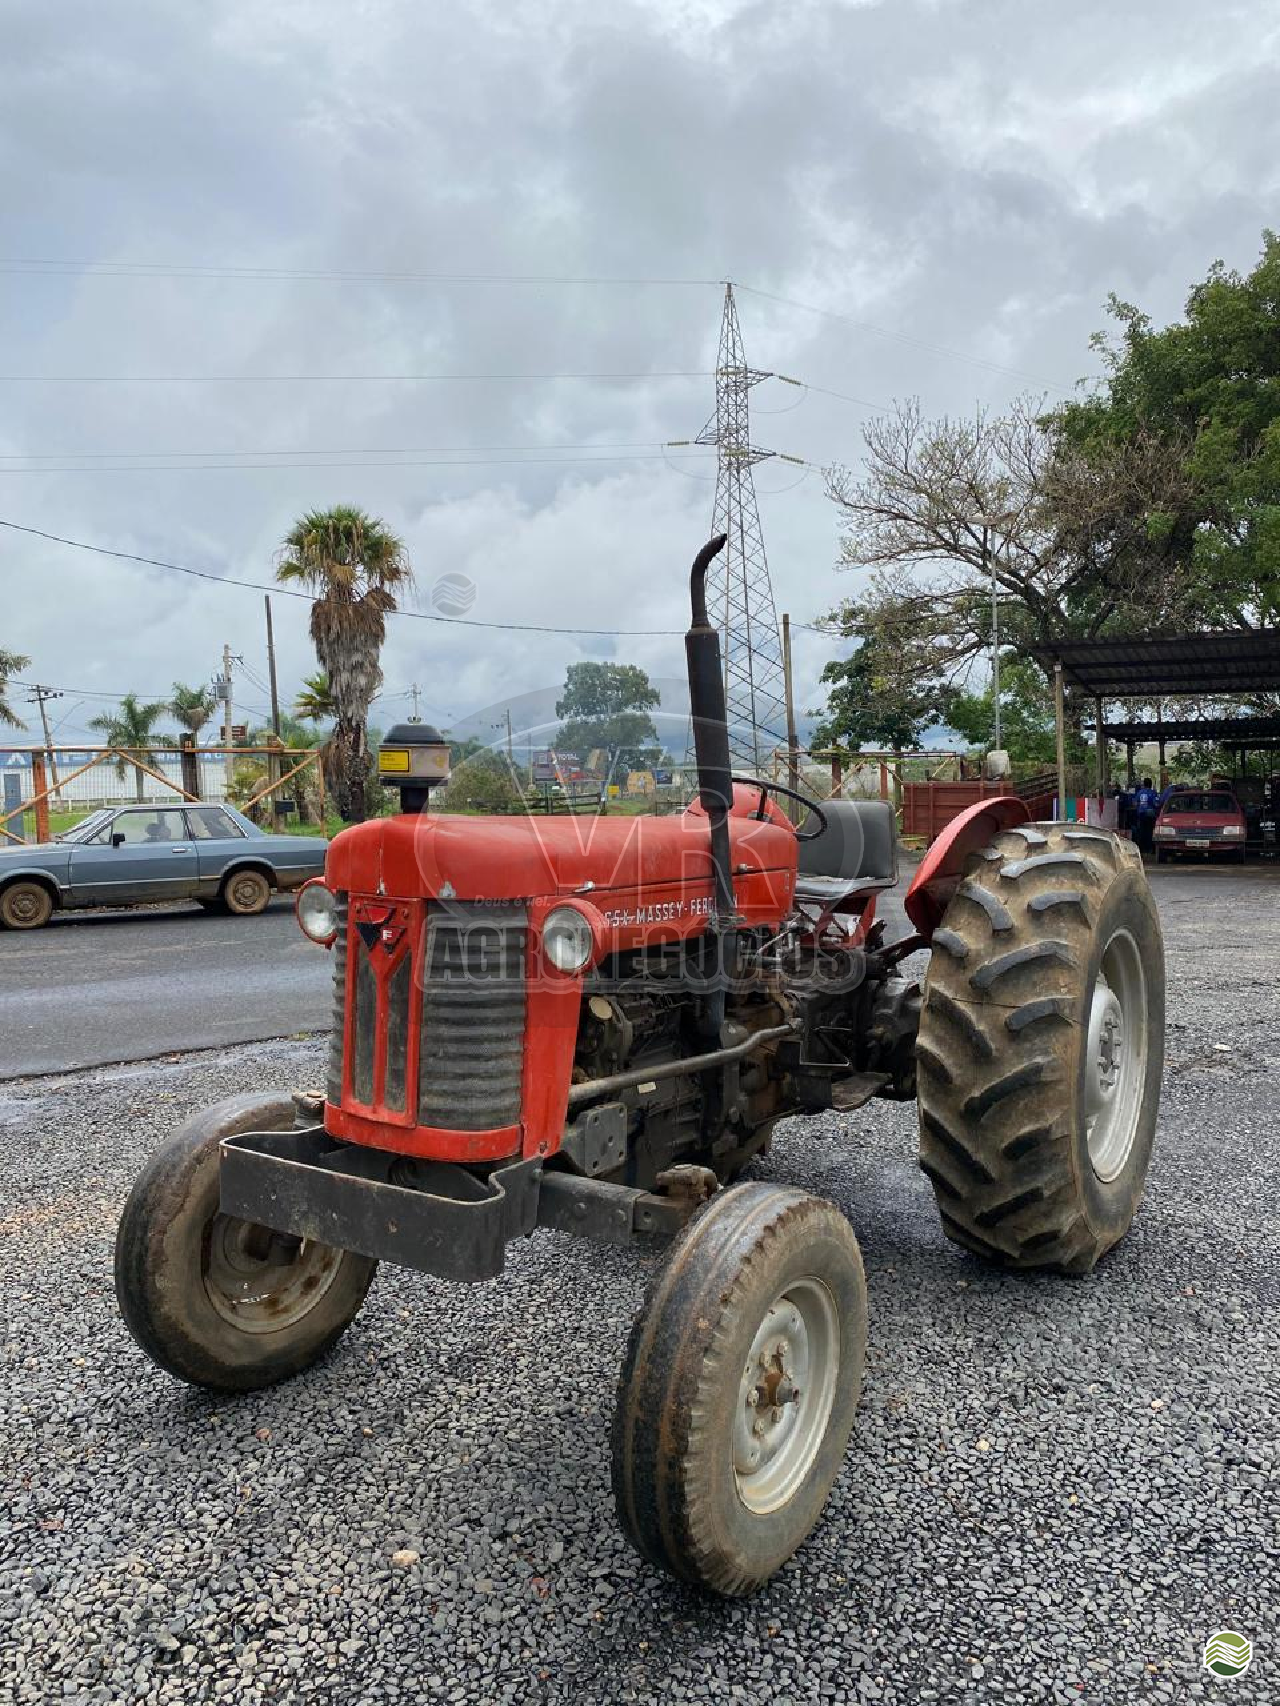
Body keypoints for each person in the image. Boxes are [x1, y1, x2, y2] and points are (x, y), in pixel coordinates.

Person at [1134, 776, 1159, 853]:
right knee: (1150, 831)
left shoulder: (1139, 792)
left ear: (1144, 784)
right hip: (1150, 814)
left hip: (1141, 813)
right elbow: (1156, 803)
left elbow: (1135, 803)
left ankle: (1141, 848)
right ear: (1150, 784)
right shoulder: (1153, 792)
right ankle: (1150, 848)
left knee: (1141, 830)